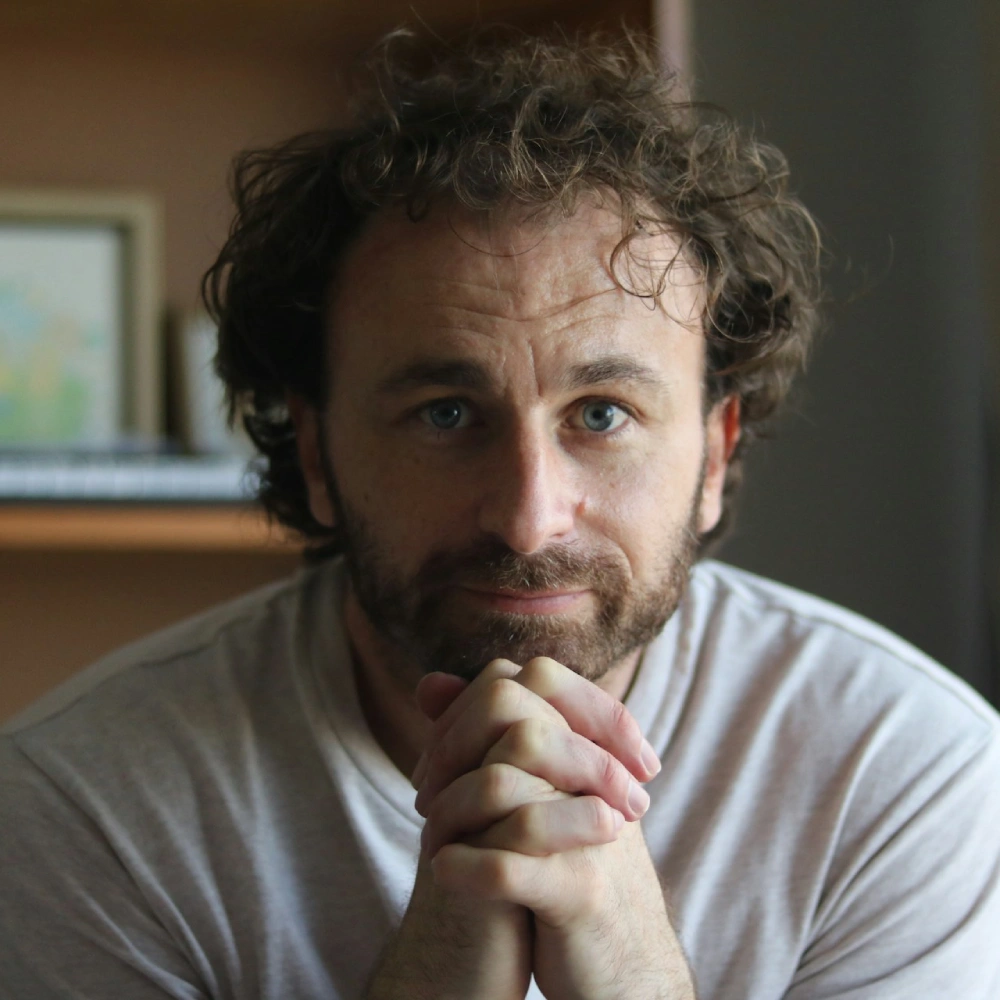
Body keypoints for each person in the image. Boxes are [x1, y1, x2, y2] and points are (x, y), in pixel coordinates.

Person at [2, 29, 998, 1000]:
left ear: (714, 451)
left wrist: (633, 978)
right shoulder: (84, 808)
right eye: (445, 414)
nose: (529, 519)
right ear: (314, 452)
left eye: (602, 414)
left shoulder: (904, 776)